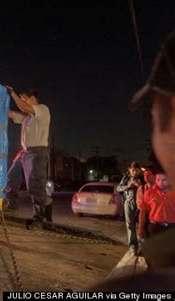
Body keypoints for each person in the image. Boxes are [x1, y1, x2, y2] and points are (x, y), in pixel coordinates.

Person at [89, 29, 175, 291]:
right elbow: (127, 195)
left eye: (153, 114)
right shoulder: (130, 180)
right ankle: (134, 245)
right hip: (139, 215)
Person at [5, 87, 51, 228]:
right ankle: (11, 205)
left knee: (35, 185)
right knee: (11, 178)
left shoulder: (42, 110)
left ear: (32, 99)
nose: (22, 103)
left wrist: (12, 93)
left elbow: (22, 106)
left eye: (25, 99)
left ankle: (39, 217)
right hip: (24, 152)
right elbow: (11, 114)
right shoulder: (27, 118)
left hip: (37, 152)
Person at [116, 161, 143, 254]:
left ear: (139, 170)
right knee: (130, 225)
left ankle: (141, 246)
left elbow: (149, 189)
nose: (134, 172)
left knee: (141, 226)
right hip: (128, 203)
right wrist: (128, 186)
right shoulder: (126, 178)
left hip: (141, 204)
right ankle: (132, 245)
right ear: (129, 170)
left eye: (136, 170)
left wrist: (139, 186)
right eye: (133, 170)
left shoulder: (143, 178)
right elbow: (118, 188)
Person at [136, 169, 155, 241]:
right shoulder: (142, 189)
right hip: (147, 220)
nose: (146, 176)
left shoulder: (161, 188)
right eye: (144, 175)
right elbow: (141, 210)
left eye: (149, 174)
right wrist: (141, 228)